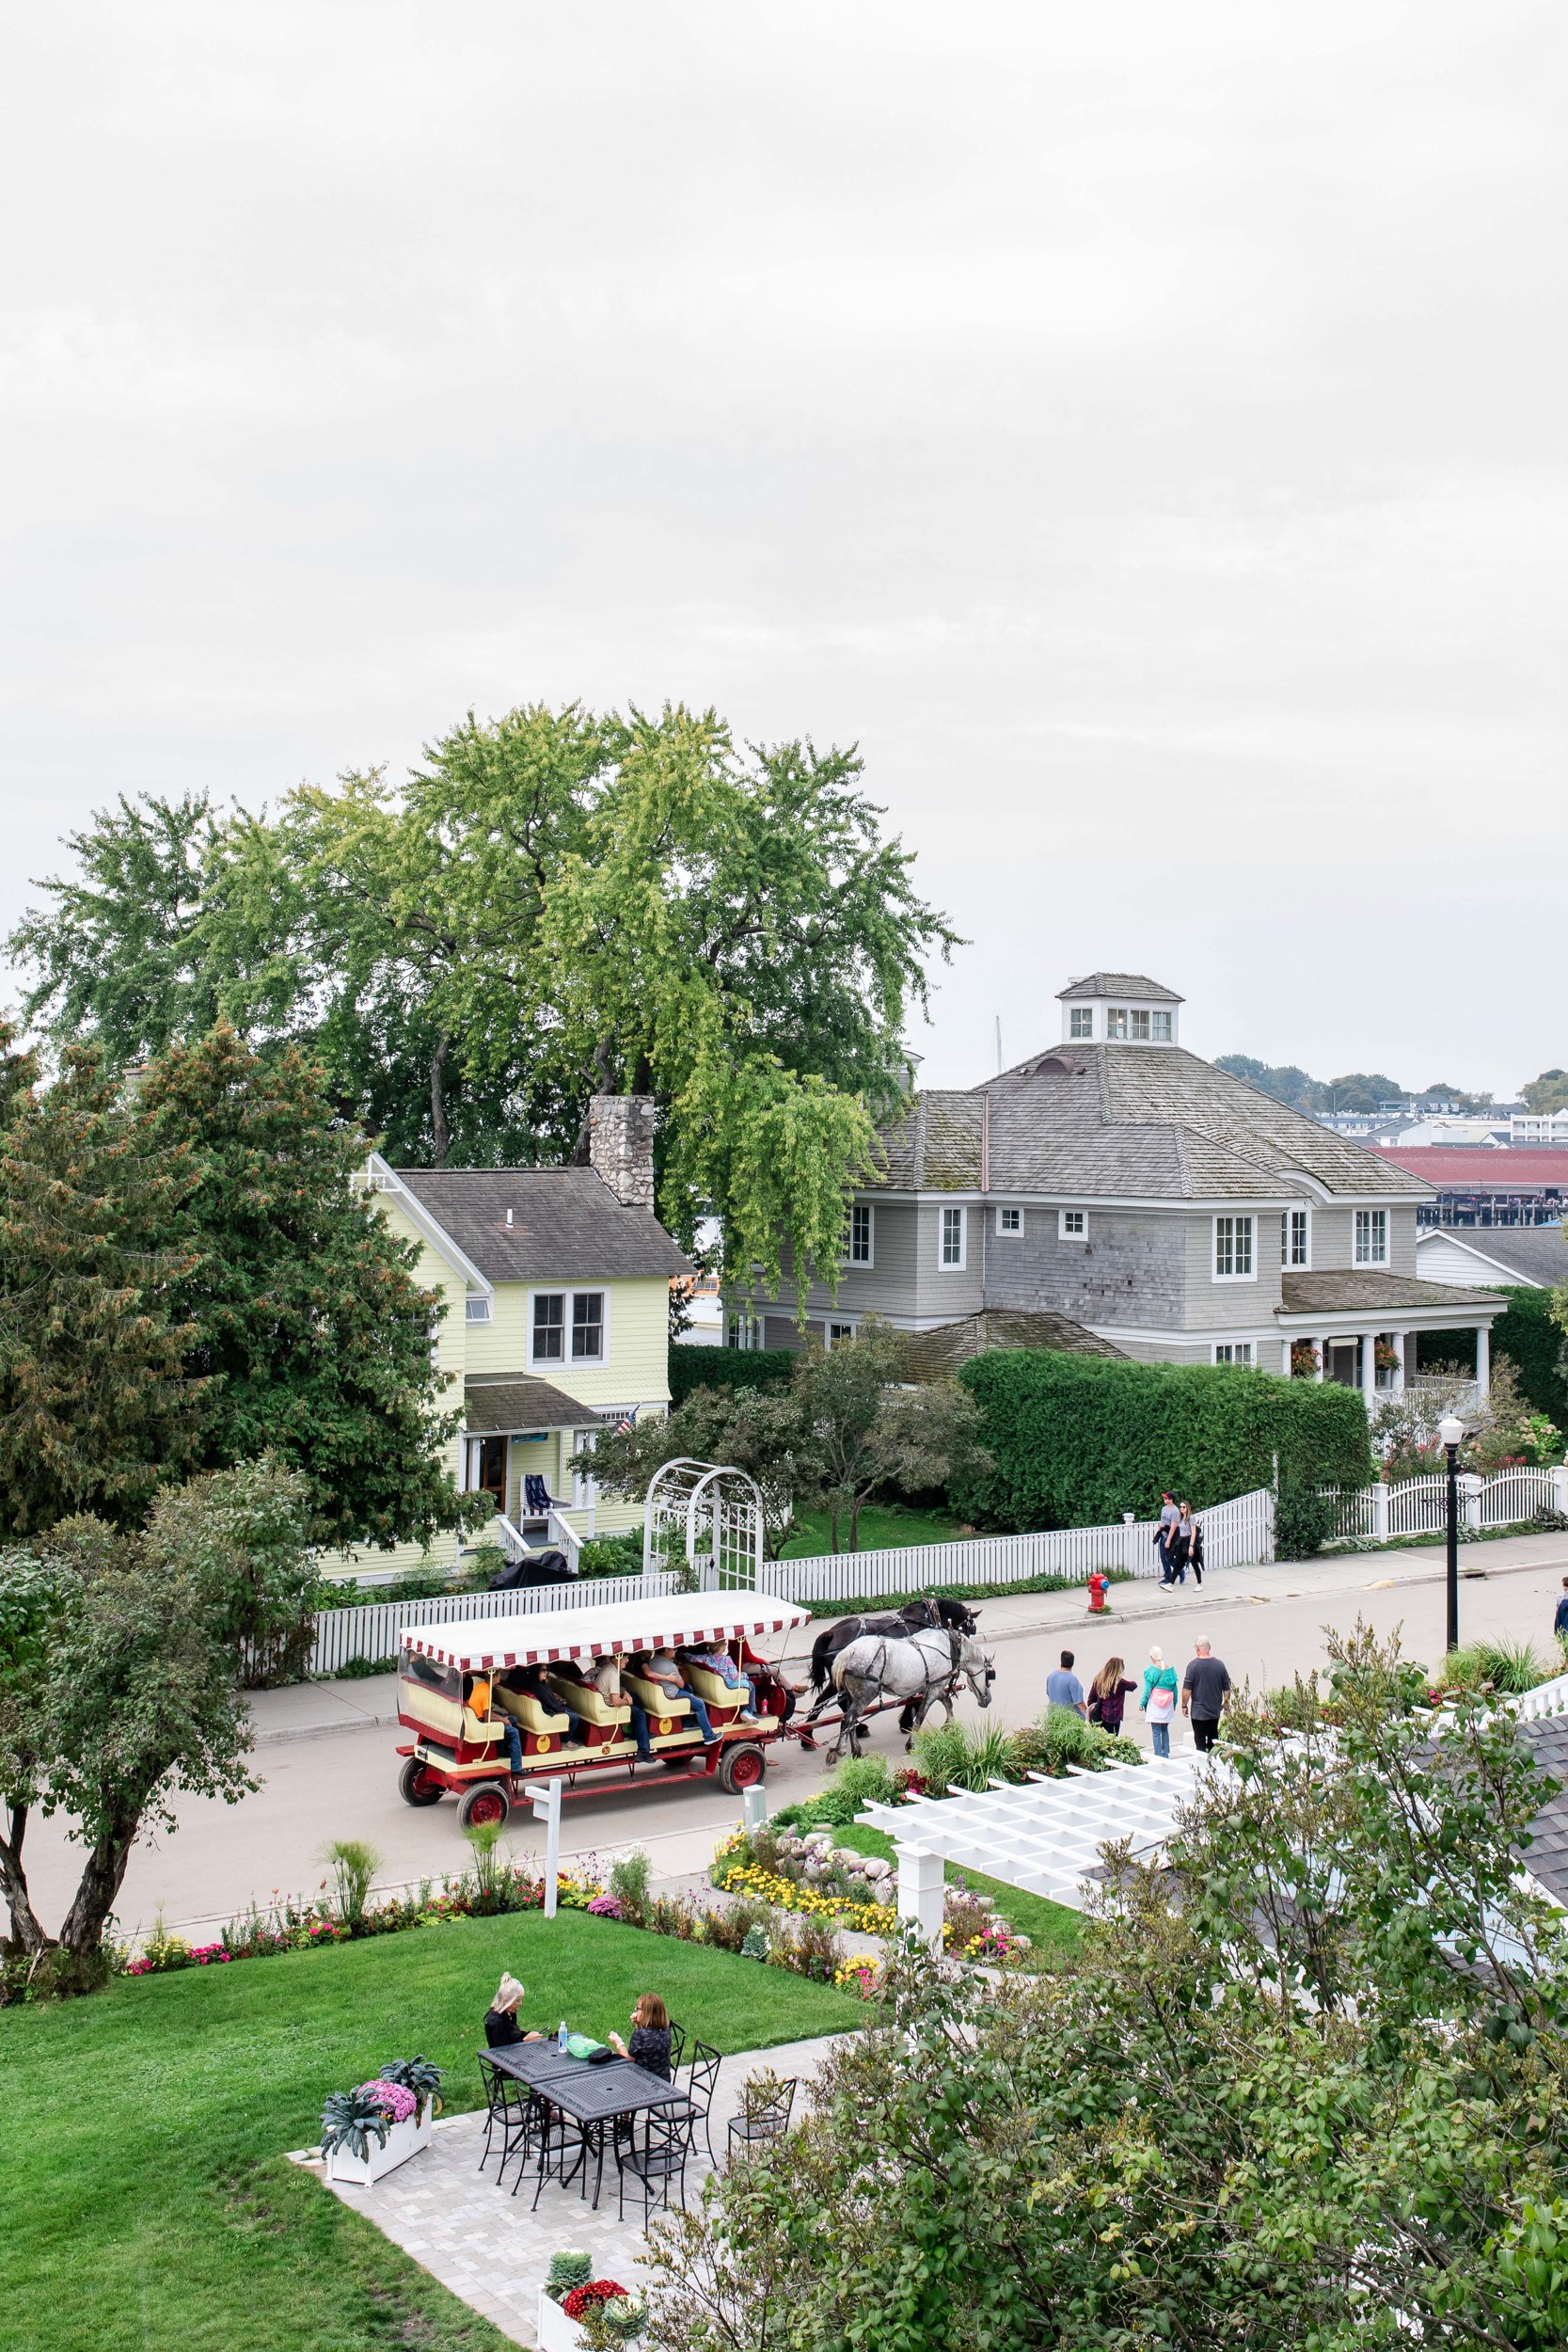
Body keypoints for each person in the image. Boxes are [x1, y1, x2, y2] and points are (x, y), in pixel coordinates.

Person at [641, 1647, 720, 1744]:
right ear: (666, 1650)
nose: (676, 1651)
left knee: (689, 1689)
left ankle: (687, 1721)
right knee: (699, 1703)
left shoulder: (653, 1660)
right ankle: (709, 1736)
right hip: (672, 1695)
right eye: (674, 1649)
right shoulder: (671, 1666)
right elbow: (681, 1684)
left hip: (661, 1692)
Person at [680, 1642, 763, 1726]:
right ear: (719, 1647)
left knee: (747, 1684)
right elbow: (734, 1676)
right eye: (724, 1645)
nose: (726, 1646)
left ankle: (745, 1711)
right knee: (751, 1685)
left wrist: (682, 1655)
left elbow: (691, 1658)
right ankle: (748, 1712)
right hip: (729, 1684)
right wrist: (745, 1675)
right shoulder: (726, 1659)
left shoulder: (705, 1658)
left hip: (716, 1685)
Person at [468, 1671, 525, 1777]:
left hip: (477, 1718)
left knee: (513, 1719)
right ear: (493, 1677)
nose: (500, 1677)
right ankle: (516, 1766)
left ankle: (502, 1749)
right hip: (481, 1723)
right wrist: (503, 1720)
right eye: (499, 1675)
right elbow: (486, 1717)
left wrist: (503, 1718)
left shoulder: (481, 1686)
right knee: (514, 1732)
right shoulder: (486, 1692)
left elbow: (487, 1711)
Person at [607, 1991, 673, 2078]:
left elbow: (629, 2060)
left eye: (638, 2009)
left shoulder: (640, 2034)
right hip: (664, 2081)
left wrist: (618, 2042)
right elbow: (646, 2043)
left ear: (646, 2012)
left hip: (644, 2082)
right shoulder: (666, 2029)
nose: (635, 2011)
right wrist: (639, 2024)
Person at [1182, 1639, 1231, 1753]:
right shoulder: (1219, 1664)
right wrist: (1226, 1704)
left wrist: (1184, 1705)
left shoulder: (1193, 1666)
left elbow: (1187, 1689)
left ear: (1198, 1648)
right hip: (1214, 1711)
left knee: (1199, 1741)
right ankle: (1213, 1763)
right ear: (1209, 1648)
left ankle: (1203, 1765)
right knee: (1214, 1740)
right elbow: (1227, 1688)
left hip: (1198, 1712)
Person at [483, 1972, 543, 2048]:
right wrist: (525, 2041)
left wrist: (528, 2035)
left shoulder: (508, 2013)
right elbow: (502, 2051)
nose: (520, 2004)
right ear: (506, 2000)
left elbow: (514, 2037)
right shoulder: (496, 2022)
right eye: (517, 2001)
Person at [1140, 1644, 1179, 1757]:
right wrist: (1175, 1703)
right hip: (1168, 1704)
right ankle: (1166, 1753)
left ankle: (1158, 1754)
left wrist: (1142, 1703)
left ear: (1152, 1657)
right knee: (1165, 1729)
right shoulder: (1171, 1670)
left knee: (1156, 1731)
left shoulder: (1150, 1671)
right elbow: (1175, 1690)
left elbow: (1147, 1690)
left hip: (1155, 1705)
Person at [1087, 1656, 1136, 1735]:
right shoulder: (1120, 1682)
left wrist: (1094, 1711)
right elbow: (1133, 1686)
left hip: (1100, 1716)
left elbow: (1090, 1699)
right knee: (1112, 1741)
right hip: (1114, 1718)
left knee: (1101, 1740)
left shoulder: (1098, 1679)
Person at [1167, 1502, 1202, 1588]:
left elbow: (1193, 1533)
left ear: (1187, 1508)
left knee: (1194, 1563)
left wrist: (1191, 1546)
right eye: (1181, 1507)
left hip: (1189, 1542)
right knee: (1177, 1564)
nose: (1182, 1508)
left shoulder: (1191, 1518)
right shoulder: (1181, 1518)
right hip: (1181, 1542)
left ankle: (1199, 1584)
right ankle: (1171, 1584)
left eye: (1184, 1507)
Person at [1045, 1648, 1086, 1718]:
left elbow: (1049, 1695)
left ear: (1061, 1661)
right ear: (1073, 1663)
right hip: (1070, 1720)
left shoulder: (1051, 1676)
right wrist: (1089, 1713)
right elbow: (1079, 1702)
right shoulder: (1072, 1680)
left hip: (1054, 1717)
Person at [1154, 1492, 1180, 1584]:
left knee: (1169, 1558)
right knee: (1163, 1558)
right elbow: (1162, 1521)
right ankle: (1168, 1577)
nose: (1164, 1499)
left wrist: (1168, 1540)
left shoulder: (1175, 1511)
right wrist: (1159, 1530)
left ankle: (1180, 1571)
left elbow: (1173, 1526)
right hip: (1163, 1535)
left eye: (1166, 1498)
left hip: (1171, 1537)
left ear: (1171, 1499)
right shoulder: (1164, 1509)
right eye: (1164, 1498)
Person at [1554, 1577, 1568, 1641]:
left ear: (1565, 1587)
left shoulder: (1560, 1597)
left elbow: (1558, 1616)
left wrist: (1557, 1632)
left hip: (1565, 1630)